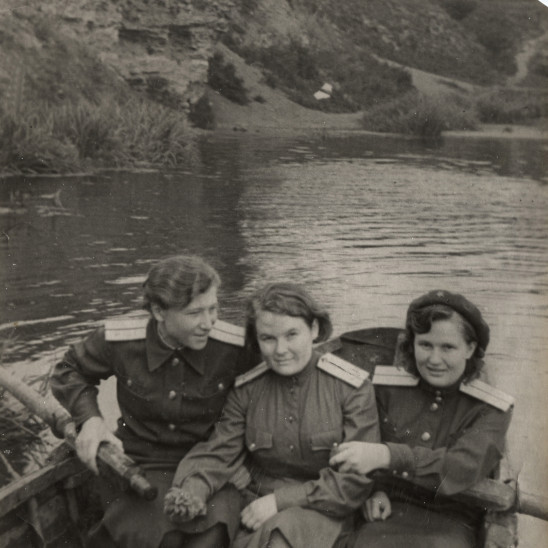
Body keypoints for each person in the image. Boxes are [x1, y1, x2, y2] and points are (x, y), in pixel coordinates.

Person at [50, 255, 260, 548]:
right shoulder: (121, 341)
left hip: (211, 466)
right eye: (194, 313)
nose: (208, 323)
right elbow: (68, 369)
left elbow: (279, 379)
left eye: (213, 308)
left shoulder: (234, 347)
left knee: (210, 539)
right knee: (158, 539)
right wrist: (91, 419)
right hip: (140, 464)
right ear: (159, 312)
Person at [163, 282, 381, 548]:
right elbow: (221, 451)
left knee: (279, 538)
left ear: (313, 329)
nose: (280, 350)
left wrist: (280, 502)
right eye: (268, 338)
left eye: (291, 335)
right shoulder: (247, 389)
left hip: (323, 510)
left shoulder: (352, 388)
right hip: (254, 505)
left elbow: (354, 481)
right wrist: (192, 491)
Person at [329, 289, 514, 548]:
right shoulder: (386, 388)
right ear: (412, 343)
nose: (434, 359)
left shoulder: (491, 408)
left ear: (470, 348)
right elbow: (365, 444)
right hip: (388, 509)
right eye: (425, 345)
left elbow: (460, 468)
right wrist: (375, 491)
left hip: (453, 517)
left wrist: (387, 455)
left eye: (448, 347)